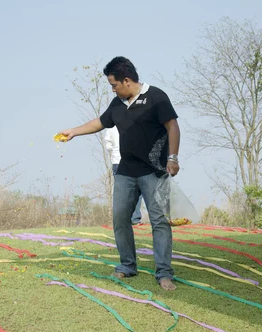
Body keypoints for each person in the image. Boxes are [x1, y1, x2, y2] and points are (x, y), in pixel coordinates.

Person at [56, 56, 180, 291]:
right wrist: (74, 131)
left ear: (126, 80)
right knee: (120, 218)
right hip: (126, 172)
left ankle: (164, 272)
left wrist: (172, 158)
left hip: (155, 172)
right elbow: (100, 122)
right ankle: (127, 265)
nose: (113, 89)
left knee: (160, 221)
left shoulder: (156, 97)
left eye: (114, 85)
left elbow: (172, 125)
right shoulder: (117, 104)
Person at [104, 126, 142, 225]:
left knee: (121, 192)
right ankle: (134, 218)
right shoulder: (133, 123)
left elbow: (108, 145)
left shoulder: (111, 127)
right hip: (131, 161)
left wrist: (114, 151)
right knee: (137, 190)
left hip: (117, 161)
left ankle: (122, 219)